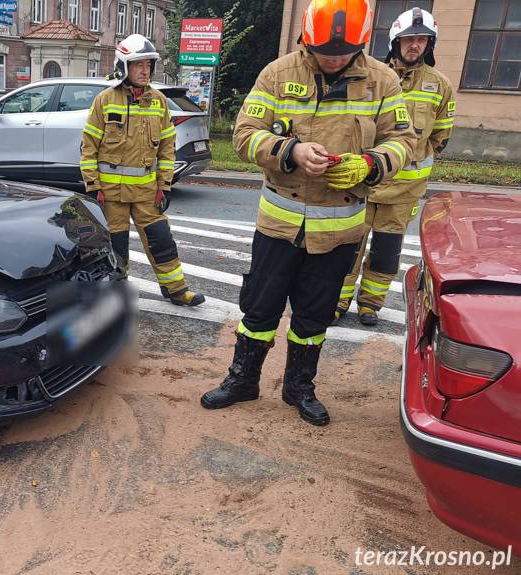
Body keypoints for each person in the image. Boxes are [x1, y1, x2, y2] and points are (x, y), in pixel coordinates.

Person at [200, 0, 415, 425]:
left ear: (362, 43)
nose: (333, 59)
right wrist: (290, 150)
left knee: (314, 315)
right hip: (279, 226)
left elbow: (404, 142)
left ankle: (299, 387)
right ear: (306, 38)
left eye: (343, 52)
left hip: (339, 229)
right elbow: (244, 135)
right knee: (259, 309)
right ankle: (243, 380)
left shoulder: (383, 81)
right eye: (323, 51)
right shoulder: (278, 74)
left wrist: (370, 163)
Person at [335, 7, 454, 326]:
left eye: (422, 40)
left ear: (430, 45)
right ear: (395, 41)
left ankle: (370, 304)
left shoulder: (440, 85)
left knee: (386, 252)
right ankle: (338, 299)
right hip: (364, 183)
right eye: (409, 39)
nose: (415, 45)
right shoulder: (370, 76)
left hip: (404, 191)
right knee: (348, 246)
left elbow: (443, 132)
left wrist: (418, 158)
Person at [80, 34, 205, 307]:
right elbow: (88, 147)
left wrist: (165, 186)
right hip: (111, 195)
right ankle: (116, 293)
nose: (145, 70)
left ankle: (176, 289)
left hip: (147, 193)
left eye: (148, 65)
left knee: (161, 240)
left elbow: (167, 149)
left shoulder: (158, 102)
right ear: (124, 66)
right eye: (139, 65)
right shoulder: (105, 100)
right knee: (116, 247)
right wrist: (94, 187)